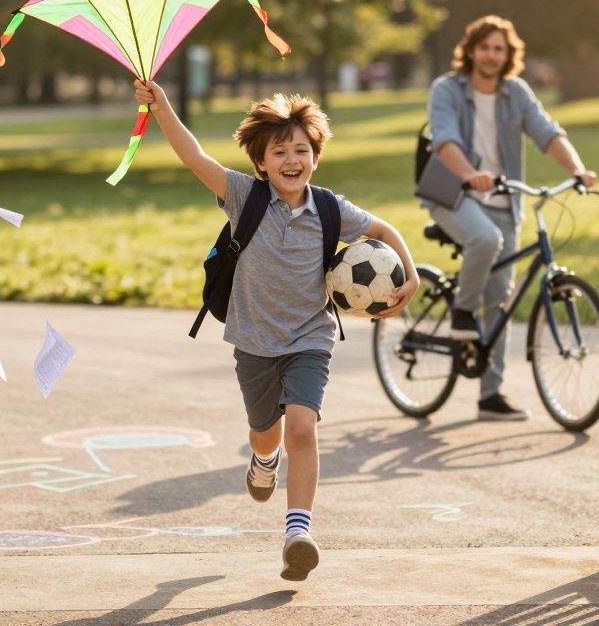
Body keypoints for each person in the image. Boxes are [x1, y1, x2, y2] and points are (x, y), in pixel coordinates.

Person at [134, 78, 418, 582]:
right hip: (254, 341)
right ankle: (263, 460)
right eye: (279, 150)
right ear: (260, 162)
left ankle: (297, 533)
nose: (292, 159)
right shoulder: (245, 196)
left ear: (316, 156)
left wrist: (410, 273)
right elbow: (194, 156)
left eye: (302, 150)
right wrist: (161, 108)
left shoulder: (330, 208)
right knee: (266, 432)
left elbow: (383, 230)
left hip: (310, 338)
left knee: (303, 428)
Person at [425, 15, 598, 422]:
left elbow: (546, 131)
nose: (491, 55)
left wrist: (577, 170)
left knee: (500, 300)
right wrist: (470, 175)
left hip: (505, 201)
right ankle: (462, 314)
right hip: (453, 192)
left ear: (509, 55)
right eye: (484, 47)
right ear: (471, 50)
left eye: (499, 49)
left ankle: (490, 395)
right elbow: (445, 138)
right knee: (485, 241)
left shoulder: (516, 92)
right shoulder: (447, 89)